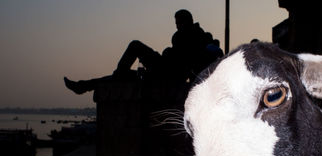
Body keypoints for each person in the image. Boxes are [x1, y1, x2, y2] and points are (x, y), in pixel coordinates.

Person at [64, 9, 219, 94]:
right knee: (121, 76)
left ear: (187, 21)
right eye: (176, 23)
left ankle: (85, 85)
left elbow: (191, 60)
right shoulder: (192, 36)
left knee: (135, 46)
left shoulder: (196, 36)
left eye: (178, 23)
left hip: (167, 72)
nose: (177, 26)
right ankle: (84, 86)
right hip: (165, 68)